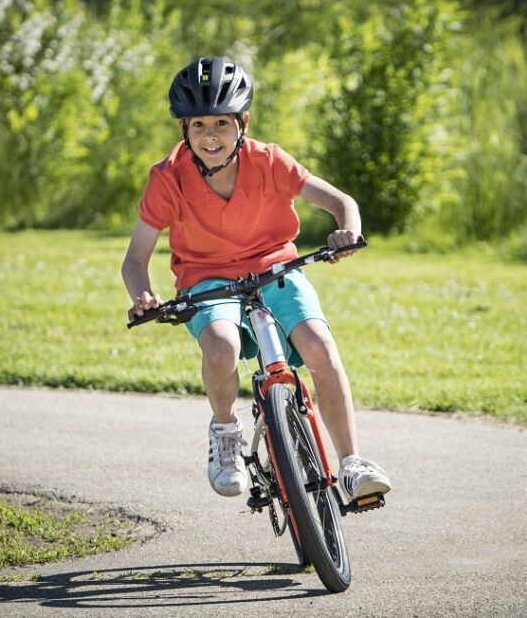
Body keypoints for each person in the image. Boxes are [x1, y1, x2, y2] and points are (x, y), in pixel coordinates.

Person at [122, 56, 391, 504]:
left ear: (242, 123)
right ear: (184, 131)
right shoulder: (167, 178)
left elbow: (341, 202)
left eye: (222, 124)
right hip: (206, 279)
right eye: (200, 125)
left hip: (274, 268)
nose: (211, 136)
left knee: (319, 346)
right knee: (222, 344)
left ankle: (352, 463)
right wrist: (143, 295)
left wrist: (349, 231)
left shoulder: (268, 160)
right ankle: (225, 431)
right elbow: (135, 259)